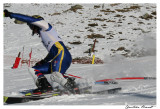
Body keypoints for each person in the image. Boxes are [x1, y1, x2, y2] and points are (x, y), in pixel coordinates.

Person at [4, 9, 77, 94]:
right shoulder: (44, 35)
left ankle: (72, 88)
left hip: (62, 55)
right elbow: (52, 53)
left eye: (31, 26)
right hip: (58, 57)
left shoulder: (45, 26)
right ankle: (46, 87)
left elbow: (28, 19)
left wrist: (10, 14)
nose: (32, 29)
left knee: (55, 75)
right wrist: (43, 61)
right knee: (33, 70)